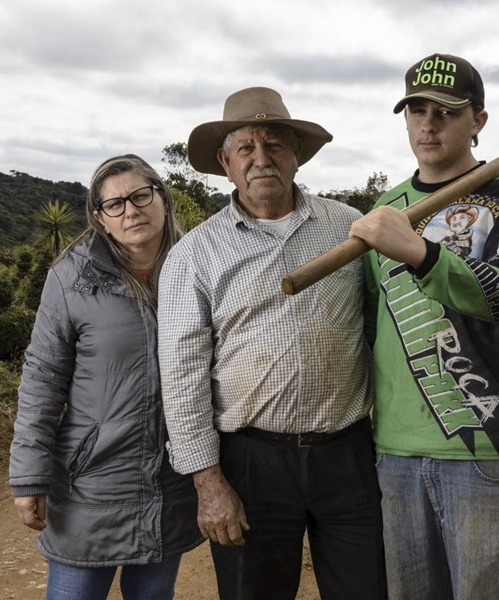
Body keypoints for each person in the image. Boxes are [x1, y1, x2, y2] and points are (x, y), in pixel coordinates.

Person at [157, 86, 385, 600]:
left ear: (296, 155)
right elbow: (182, 376)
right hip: (250, 465)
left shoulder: (348, 228)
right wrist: (209, 484)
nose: (262, 159)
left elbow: (380, 328)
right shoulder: (195, 255)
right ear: (225, 161)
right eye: (247, 148)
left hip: (347, 455)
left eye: (276, 145)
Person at [349, 53, 499, 600]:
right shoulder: (385, 209)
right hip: (397, 451)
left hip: (486, 445)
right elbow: (372, 324)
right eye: (416, 110)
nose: (428, 124)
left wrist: (422, 254)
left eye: (446, 111)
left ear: (478, 120)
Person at [9, 154, 202, 600]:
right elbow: (41, 379)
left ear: (162, 198)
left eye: (139, 196)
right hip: (90, 480)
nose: (130, 210)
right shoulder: (71, 278)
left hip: (169, 480)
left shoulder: (197, 266)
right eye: (114, 204)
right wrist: (29, 477)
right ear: (100, 218)